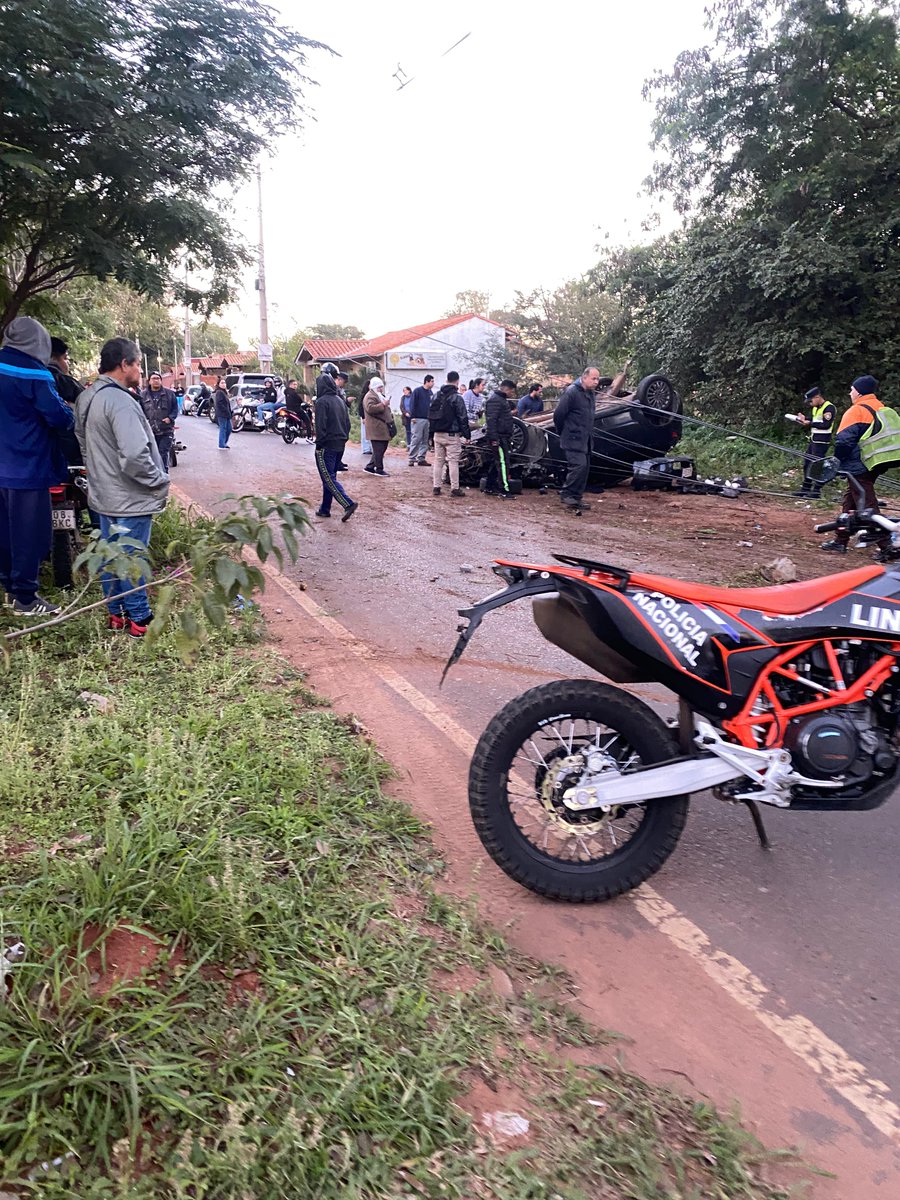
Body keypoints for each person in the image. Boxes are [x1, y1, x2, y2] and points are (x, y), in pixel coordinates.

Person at [75, 337, 170, 636]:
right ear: (124, 364)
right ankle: (140, 618)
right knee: (131, 557)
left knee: (111, 555)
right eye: (138, 364)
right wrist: (158, 481)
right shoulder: (120, 401)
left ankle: (116, 613)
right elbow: (134, 455)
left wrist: (99, 476)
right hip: (129, 497)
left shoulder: (88, 397)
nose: (141, 370)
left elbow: (83, 443)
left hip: (103, 495)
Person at [0, 316, 74, 617]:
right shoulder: (33, 372)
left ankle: (9, 589)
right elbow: (59, 417)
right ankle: (26, 598)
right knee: (32, 534)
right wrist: (69, 414)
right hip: (27, 467)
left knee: (5, 530)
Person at [822, 374, 889, 554]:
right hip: (876, 461)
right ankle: (841, 540)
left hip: (858, 463)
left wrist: (837, 461)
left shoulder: (856, 410)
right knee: (851, 499)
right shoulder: (881, 408)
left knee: (867, 504)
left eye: (851, 389)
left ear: (858, 392)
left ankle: (887, 545)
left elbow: (844, 441)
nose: (850, 393)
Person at [314, 364, 358, 521]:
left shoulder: (321, 402)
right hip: (340, 443)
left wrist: (319, 443)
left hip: (327, 445)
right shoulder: (340, 401)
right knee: (330, 476)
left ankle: (347, 503)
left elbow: (320, 426)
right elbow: (348, 424)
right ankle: (325, 509)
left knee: (328, 477)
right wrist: (344, 439)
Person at [554, 366, 601, 511]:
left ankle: (576, 497)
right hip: (572, 437)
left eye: (598, 379)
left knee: (584, 468)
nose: (596, 382)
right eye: (593, 378)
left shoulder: (590, 394)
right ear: (584, 377)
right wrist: (564, 432)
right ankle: (567, 494)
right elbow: (559, 415)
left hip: (585, 439)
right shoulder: (571, 392)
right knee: (578, 466)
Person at [429, 371, 470, 498]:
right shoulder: (457, 397)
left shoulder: (436, 395)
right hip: (452, 434)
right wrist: (467, 435)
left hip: (437, 433)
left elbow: (430, 415)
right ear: (457, 381)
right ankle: (455, 488)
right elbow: (463, 417)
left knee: (438, 461)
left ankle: (436, 487)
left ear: (446, 380)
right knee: (453, 461)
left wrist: (430, 435)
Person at [49, 336, 85, 467]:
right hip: (70, 455)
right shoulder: (67, 383)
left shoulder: (26, 382)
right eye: (65, 358)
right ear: (53, 358)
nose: (67, 364)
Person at [794, 386, 835, 498]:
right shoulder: (816, 408)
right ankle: (805, 488)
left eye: (811, 401)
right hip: (814, 440)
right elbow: (815, 420)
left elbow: (826, 424)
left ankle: (816, 491)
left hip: (822, 442)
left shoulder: (829, 408)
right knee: (807, 463)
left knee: (818, 465)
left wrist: (810, 423)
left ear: (817, 397)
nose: (810, 403)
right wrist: (804, 419)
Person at [483, 379, 517, 498]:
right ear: (506, 389)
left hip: (502, 437)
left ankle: (489, 486)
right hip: (498, 437)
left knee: (496, 461)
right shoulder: (495, 401)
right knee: (503, 463)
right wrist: (494, 439)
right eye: (512, 391)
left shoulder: (501, 400)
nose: (512, 394)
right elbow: (491, 421)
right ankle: (504, 489)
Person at [140, 370, 179, 470]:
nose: (156, 381)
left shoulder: (169, 394)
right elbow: (140, 411)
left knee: (163, 453)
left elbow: (175, 409)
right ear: (149, 381)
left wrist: (170, 418)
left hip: (166, 430)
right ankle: (156, 475)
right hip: (150, 431)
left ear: (161, 381)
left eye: (158, 378)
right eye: (153, 378)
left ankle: (163, 474)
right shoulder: (143, 395)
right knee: (153, 454)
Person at [363, 377, 392, 476]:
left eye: (381, 387)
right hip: (375, 427)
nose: (381, 389)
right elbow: (370, 408)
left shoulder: (378, 395)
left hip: (381, 427)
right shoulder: (369, 396)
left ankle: (370, 467)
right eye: (379, 387)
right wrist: (383, 404)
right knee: (379, 449)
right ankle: (379, 469)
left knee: (381, 448)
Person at [408, 374, 434, 466]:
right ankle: (411, 458)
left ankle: (421, 458)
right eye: (432, 381)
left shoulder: (430, 393)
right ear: (427, 381)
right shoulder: (417, 391)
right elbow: (412, 404)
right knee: (416, 438)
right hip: (418, 419)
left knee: (425, 439)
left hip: (427, 419)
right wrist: (413, 416)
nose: (433, 383)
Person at [214, 376, 232, 449]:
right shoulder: (219, 392)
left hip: (227, 414)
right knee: (223, 428)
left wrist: (230, 412)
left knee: (229, 429)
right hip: (222, 414)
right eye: (222, 383)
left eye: (224, 383)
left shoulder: (224, 392)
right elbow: (219, 403)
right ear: (219, 384)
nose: (224, 384)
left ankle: (224, 442)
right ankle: (221, 444)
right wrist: (225, 411)